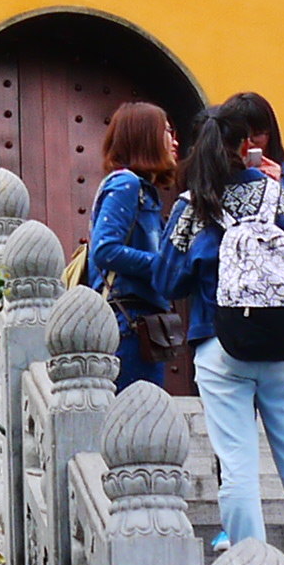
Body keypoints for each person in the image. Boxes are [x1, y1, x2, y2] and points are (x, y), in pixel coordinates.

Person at [154, 92, 284, 565]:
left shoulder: (194, 204)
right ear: (247, 144)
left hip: (222, 346)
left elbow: (165, 275)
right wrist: (278, 185)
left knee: (238, 465)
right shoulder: (276, 194)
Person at [87, 101, 184, 391]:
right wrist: (160, 265)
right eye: (167, 132)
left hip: (144, 324)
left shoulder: (145, 191)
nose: (175, 141)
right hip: (126, 323)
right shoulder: (126, 184)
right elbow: (105, 249)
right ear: (146, 136)